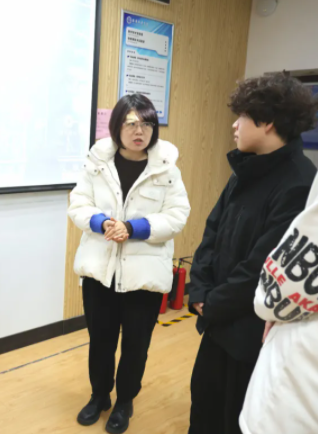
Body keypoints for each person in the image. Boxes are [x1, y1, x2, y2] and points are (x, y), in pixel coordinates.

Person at [187, 74, 318, 434]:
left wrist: (212, 303)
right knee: (203, 409)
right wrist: (198, 290)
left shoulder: (300, 182)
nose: (235, 125)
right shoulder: (246, 167)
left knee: (231, 418)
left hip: (248, 333)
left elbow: (262, 268)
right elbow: (212, 232)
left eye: (242, 116)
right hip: (217, 321)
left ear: (268, 122)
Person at [68, 94, 190, 434]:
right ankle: (99, 396)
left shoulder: (167, 169)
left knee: (136, 345)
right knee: (100, 341)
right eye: (131, 123)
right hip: (100, 272)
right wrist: (101, 222)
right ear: (116, 127)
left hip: (144, 275)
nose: (140, 131)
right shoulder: (97, 163)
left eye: (147, 123)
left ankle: (124, 402)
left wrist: (134, 228)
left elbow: (177, 215)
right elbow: (78, 203)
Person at [240, 150, 318, 432]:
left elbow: (285, 284)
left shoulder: (296, 176)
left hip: (301, 380)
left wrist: (272, 305)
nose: (235, 128)